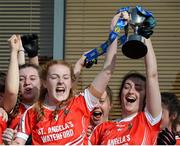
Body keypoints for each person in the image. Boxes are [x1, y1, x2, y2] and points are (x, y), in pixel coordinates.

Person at [10, 12, 126, 145]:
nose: (60, 81)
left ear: (71, 82)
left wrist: (114, 31)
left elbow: (107, 72)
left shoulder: (82, 102)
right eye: (54, 77)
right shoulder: (31, 113)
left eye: (65, 77)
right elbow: (18, 143)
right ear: (45, 83)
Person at [89, 37, 162, 145]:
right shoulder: (102, 128)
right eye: (127, 87)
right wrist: (114, 31)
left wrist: (145, 36)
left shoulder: (148, 120)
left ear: (147, 97)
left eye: (138, 88)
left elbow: (152, 75)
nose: (131, 91)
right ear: (120, 95)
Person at [2, 35, 41, 145]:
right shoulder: (12, 107)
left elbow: (34, 75)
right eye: (21, 79)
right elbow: (12, 90)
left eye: (32, 79)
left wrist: (33, 55)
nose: (27, 82)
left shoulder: (48, 105)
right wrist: (16, 51)